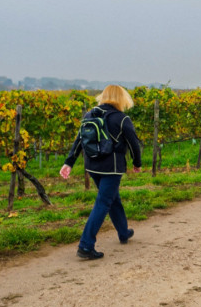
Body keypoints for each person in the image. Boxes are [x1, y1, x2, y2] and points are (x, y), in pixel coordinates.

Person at [60, 85, 142, 260]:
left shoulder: (90, 115)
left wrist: (69, 163)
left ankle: (123, 232)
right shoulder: (122, 119)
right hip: (112, 168)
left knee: (112, 198)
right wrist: (137, 163)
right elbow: (134, 144)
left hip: (92, 167)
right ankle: (85, 245)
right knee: (103, 202)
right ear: (121, 98)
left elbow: (79, 140)